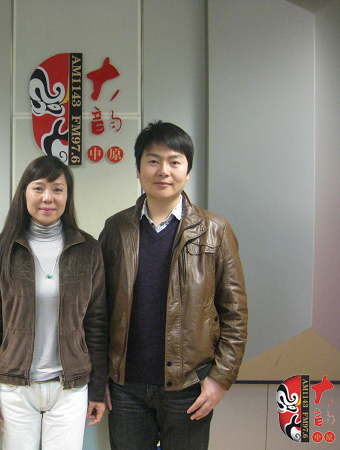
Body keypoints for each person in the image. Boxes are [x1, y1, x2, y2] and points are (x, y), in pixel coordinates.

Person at [99, 121, 248, 450]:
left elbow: (235, 314)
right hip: (125, 388)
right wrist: (100, 379)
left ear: (187, 171)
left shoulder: (215, 231)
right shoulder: (116, 229)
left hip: (189, 388)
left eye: (174, 161)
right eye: (153, 161)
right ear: (138, 169)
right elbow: (98, 309)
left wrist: (220, 379)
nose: (163, 171)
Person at [0, 156, 108, 450]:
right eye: (38, 188)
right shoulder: (2, 249)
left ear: (67, 196)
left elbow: (97, 324)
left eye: (57, 189)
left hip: (70, 388)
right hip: (15, 388)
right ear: (24, 193)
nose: (48, 197)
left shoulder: (87, 249)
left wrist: (98, 389)